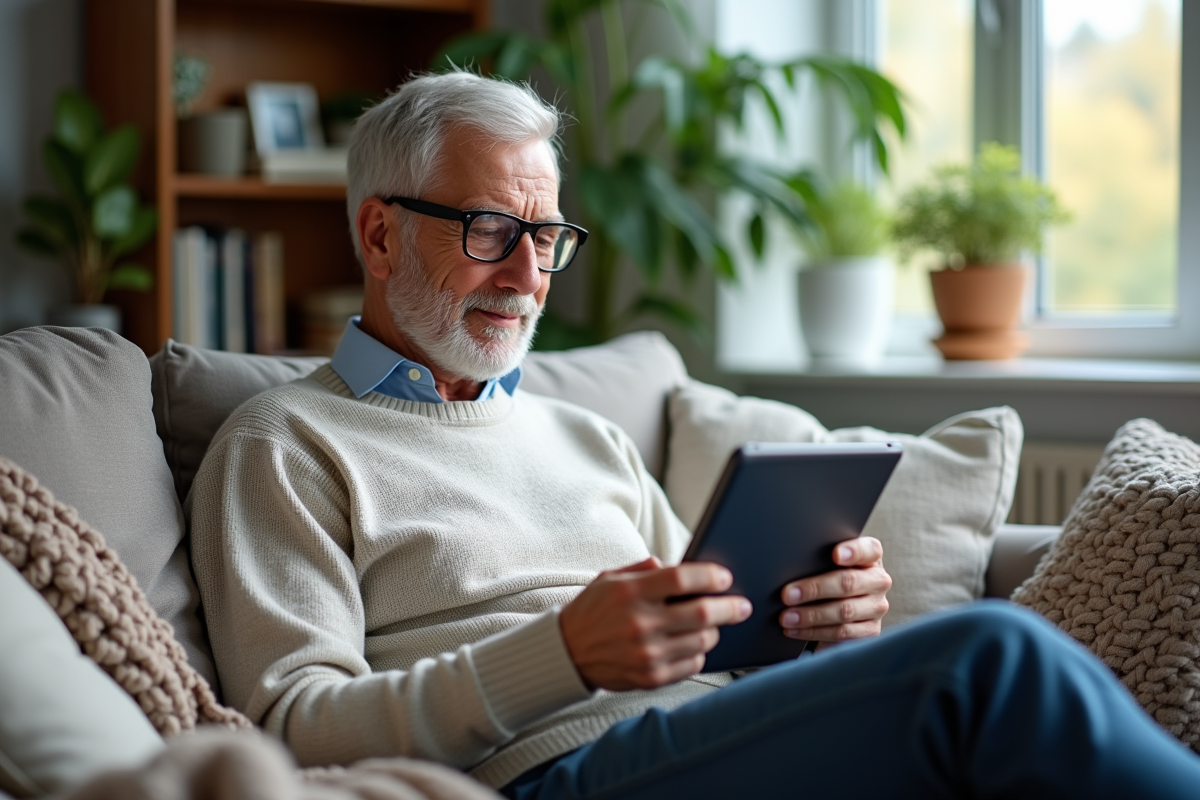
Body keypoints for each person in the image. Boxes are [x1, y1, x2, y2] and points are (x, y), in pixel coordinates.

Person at [189, 71, 1200, 799]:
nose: (529, 276)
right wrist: (560, 655)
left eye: (547, 239)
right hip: (547, 775)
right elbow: (292, 726)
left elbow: (711, 638)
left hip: (692, 744)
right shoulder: (284, 443)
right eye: (492, 230)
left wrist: (812, 629)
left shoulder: (583, 435)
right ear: (379, 232)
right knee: (988, 658)